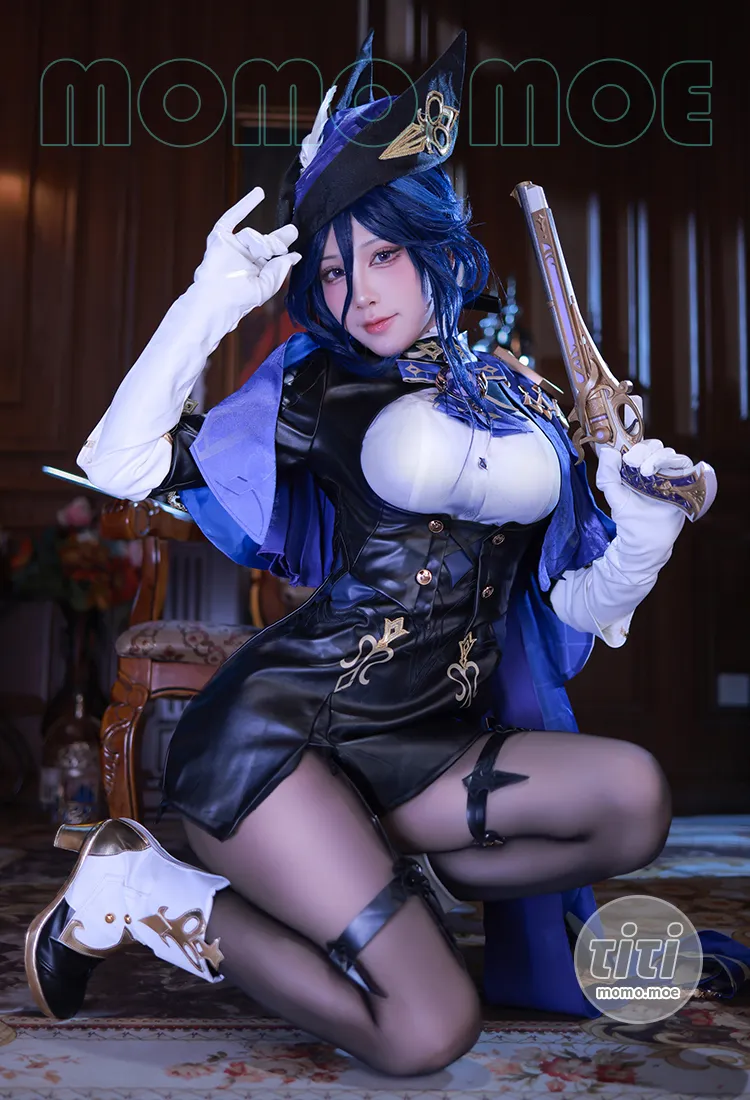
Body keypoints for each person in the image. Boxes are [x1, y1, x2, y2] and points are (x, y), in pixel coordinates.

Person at [24, 30, 725, 1078]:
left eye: (383, 254)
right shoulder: (316, 387)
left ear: (433, 247)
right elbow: (115, 460)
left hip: (421, 749)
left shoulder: (522, 397)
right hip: (279, 738)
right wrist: (211, 301)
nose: (360, 290)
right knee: (428, 1028)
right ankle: (139, 889)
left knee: (634, 798)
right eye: (336, 266)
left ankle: (414, 867)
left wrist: (647, 526)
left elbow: (569, 610)